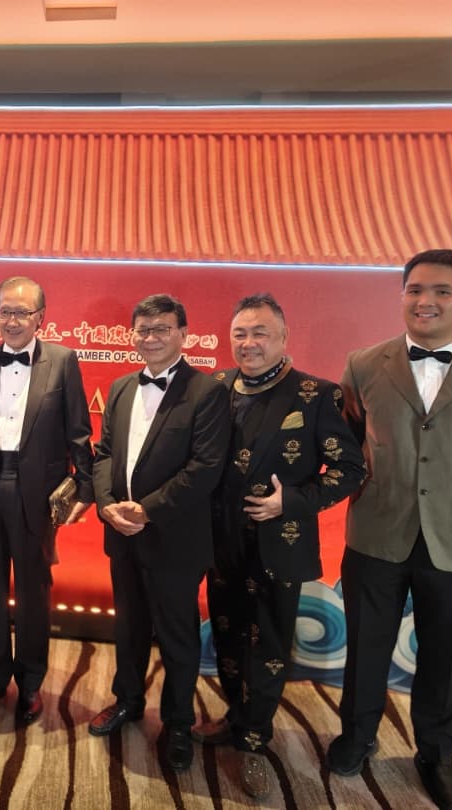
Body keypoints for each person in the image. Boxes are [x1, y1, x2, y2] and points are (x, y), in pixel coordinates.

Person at [328, 249, 452, 810]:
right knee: (366, 648)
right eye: (414, 289)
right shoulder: (364, 363)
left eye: (441, 291)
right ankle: (356, 737)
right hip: (376, 532)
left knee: (444, 658)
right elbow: (347, 445)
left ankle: (436, 756)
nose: (425, 301)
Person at [192, 293, 364, 797]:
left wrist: (290, 501)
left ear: (284, 338)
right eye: (240, 334)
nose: (249, 343)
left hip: (278, 543)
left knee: (267, 643)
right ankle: (233, 716)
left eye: (260, 333)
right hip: (220, 541)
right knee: (226, 634)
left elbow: (350, 468)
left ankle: (254, 738)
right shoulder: (215, 386)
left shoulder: (317, 394)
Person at [87, 294, 230, 772]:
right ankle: (127, 701)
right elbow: (105, 453)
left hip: (174, 539)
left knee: (177, 636)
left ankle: (178, 722)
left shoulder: (207, 392)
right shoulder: (121, 386)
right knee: (128, 628)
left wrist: (146, 511)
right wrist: (107, 505)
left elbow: (205, 468)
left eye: (162, 329)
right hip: (122, 533)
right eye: (143, 329)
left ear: (183, 335)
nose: (151, 338)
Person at [0, 276, 94, 725]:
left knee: (34, 593)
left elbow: (78, 431)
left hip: (37, 494)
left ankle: (31, 681)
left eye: (21, 313)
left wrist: (86, 490)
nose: (11, 321)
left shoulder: (63, 361)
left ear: (40, 318)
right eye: (4, 312)